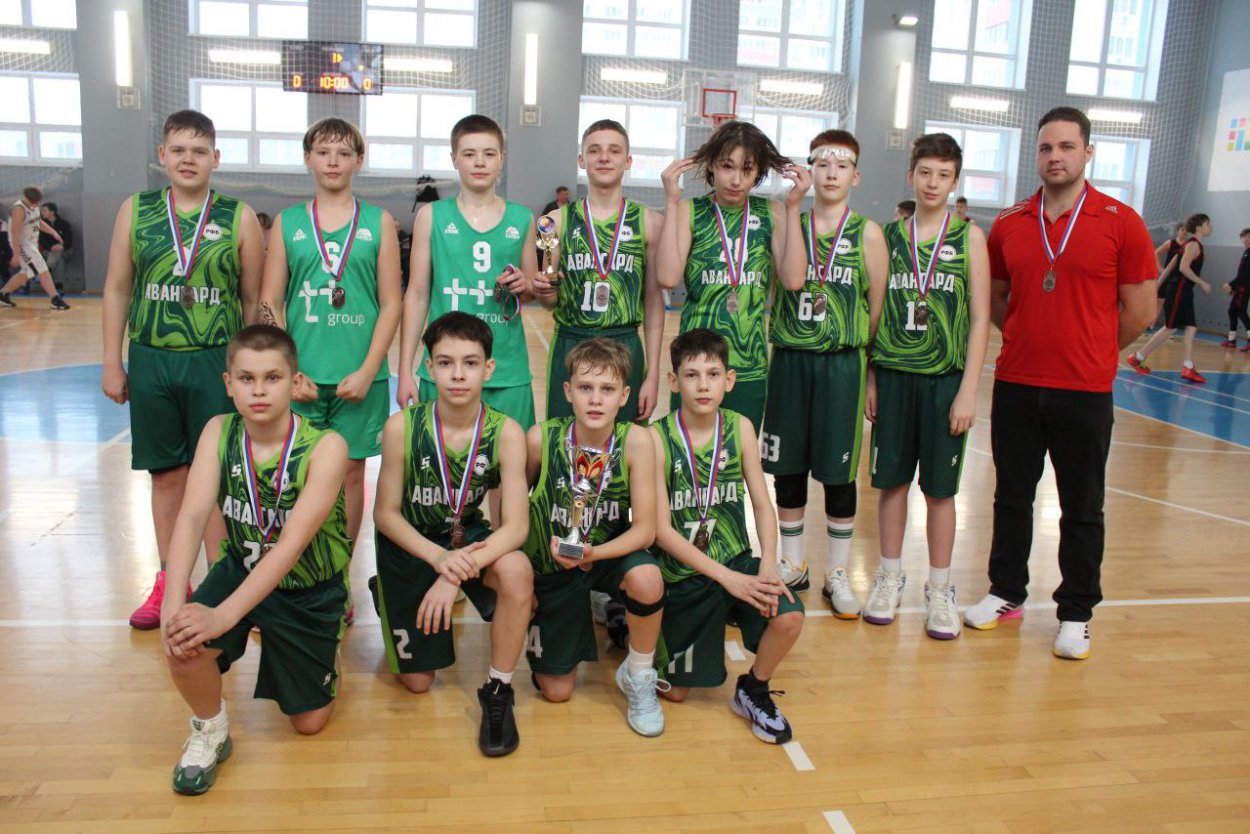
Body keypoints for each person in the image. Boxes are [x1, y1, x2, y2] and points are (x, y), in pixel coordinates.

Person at [965, 107, 1156, 659]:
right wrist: (1026, 336)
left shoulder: (1121, 221)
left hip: (1085, 391)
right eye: (1047, 147)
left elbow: (1142, 310)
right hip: (1018, 383)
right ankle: (1006, 591)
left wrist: (1092, 349)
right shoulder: (1010, 223)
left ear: (1087, 152)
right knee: (1011, 497)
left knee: (1082, 506)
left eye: (1067, 147)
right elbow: (998, 297)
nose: (1056, 157)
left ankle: (1075, 612)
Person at [160, 324, 351, 795]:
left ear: (296, 382)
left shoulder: (327, 447)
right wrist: (172, 602)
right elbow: (191, 516)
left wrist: (222, 616)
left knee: (309, 723)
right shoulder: (218, 431)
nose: (259, 390)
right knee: (182, 641)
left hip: (306, 585)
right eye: (247, 378)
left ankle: (325, 651)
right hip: (241, 565)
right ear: (229, 384)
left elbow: (288, 547)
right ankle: (210, 729)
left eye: (272, 377)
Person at [101, 110, 266, 630]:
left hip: (214, 360)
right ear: (162, 156)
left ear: (216, 158)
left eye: (198, 151)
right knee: (166, 476)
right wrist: (112, 360)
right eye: (178, 150)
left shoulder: (238, 216)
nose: (188, 159)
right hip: (152, 357)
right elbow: (117, 288)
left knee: (217, 479)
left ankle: (223, 583)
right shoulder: (137, 210)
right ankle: (170, 581)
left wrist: (251, 372)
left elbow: (253, 301)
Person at [372, 312, 532, 757]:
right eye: (445, 363)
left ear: (489, 369)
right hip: (411, 544)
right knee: (418, 683)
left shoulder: (506, 432)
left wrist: (454, 571)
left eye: (470, 363)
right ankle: (386, 593)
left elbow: (517, 527)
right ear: (428, 367)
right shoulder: (402, 427)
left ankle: (498, 690)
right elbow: (385, 515)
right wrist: (438, 560)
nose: (458, 374)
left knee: (517, 570)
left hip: (464, 540)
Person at [260, 117, 402, 579]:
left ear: (359, 161)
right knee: (294, 474)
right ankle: (294, 570)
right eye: (323, 152)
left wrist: (369, 370)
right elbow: (269, 303)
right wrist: (287, 373)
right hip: (301, 378)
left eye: (343, 153)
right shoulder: (288, 223)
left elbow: (392, 303)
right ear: (308, 159)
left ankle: (338, 573)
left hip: (357, 378)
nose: (333, 161)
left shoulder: (379, 223)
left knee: (351, 475)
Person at [863, 132, 990, 641]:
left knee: (940, 491)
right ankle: (889, 576)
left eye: (943, 175)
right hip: (894, 377)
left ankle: (940, 588)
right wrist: (872, 376)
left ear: (955, 180)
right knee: (891, 484)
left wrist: (968, 391)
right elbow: (874, 312)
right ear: (910, 175)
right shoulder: (888, 237)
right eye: (925, 173)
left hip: (944, 383)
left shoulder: (969, 238)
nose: (933, 183)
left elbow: (980, 319)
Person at [651, 329, 803, 744]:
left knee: (789, 615)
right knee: (677, 693)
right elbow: (660, 531)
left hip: (735, 560)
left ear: (729, 380)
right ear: (673, 381)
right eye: (692, 375)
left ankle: (753, 687)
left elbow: (763, 505)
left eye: (713, 374)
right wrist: (727, 579)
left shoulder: (741, 428)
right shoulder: (656, 438)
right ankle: (643, 628)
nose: (703, 385)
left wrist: (768, 564)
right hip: (683, 573)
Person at [763, 130, 888, 598]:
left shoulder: (868, 234)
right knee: (788, 468)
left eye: (842, 165)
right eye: (822, 164)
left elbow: (876, 310)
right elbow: (781, 285)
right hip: (791, 361)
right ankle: (793, 563)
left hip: (841, 367)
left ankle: (837, 572)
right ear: (810, 170)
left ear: (855, 176)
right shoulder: (788, 223)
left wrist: (867, 370)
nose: (831, 173)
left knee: (839, 473)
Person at [522, 338, 665, 736]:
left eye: (607, 389)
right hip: (553, 561)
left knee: (647, 577)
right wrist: (521, 579)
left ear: (625, 396)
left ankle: (638, 674)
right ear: (568, 391)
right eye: (586, 387)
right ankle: (584, 615)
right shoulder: (541, 439)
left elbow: (646, 530)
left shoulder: (637, 441)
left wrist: (594, 553)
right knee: (556, 692)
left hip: (605, 554)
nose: (596, 399)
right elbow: (515, 512)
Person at [397, 115, 536, 432]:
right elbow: (417, 295)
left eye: (489, 153)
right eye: (469, 153)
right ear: (454, 158)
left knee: (511, 460)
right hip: (445, 369)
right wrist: (405, 369)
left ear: (502, 159)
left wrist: (524, 284)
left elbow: (531, 290)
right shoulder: (431, 216)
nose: (479, 162)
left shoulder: (523, 219)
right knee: (438, 459)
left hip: (507, 369)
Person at [658, 121, 790, 430]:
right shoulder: (690, 210)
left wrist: (794, 205)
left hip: (749, 364)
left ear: (758, 172)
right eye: (727, 166)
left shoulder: (772, 213)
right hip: (695, 364)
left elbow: (793, 280)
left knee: (738, 454)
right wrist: (671, 202)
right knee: (687, 453)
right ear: (711, 165)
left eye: (747, 169)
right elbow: (667, 277)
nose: (736, 179)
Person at [531, 119, 664, 423]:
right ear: (582, 160)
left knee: (627, 443)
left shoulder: (651, 222)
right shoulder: (551, 222)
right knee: (564, 438)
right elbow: (548, 299)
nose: (604, 157)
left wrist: (653, 373)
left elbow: (654, 302)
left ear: (628, 160)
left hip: (625, 344)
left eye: (614, 150)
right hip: (571, 342)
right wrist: (543, 290)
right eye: (594, 150)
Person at [1127, 213, 1213, 383]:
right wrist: (1202, 282)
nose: (1210, 227)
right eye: (1208, 224)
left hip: (1184, 292)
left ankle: (1188, 367)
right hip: (1179, 290)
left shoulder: (1187, 244)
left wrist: (1157, 285)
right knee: (1170, 328)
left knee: (1191, 328)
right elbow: (1183, 267)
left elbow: (1171, 266)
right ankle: (1137, 357)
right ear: (1199, 228)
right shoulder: (1193, 245)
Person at [0, 186, 71, 309]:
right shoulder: (19, 210)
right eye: (34, 202)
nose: (36, 205)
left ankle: (3, 294)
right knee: (41, 268)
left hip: (31, 243)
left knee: (28, 273)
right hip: (21, 244)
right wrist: (16, 254)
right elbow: (15, 233)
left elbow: (38, 222)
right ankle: (55, 298)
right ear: (26, 198)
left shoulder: (34, 205)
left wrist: (53, 232)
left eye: (38, 202)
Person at [1151, 222, 1189, 327]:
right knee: (1159, 300)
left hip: (1179, 277)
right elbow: (1156, 253)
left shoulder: (1189, 246)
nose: (1184, 232)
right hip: (1167, 276)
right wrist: (1160, 269)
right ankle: (1151, 324)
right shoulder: (1170, 243)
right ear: (1177, 231)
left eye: (1186, 230)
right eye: (1182, 230)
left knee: (1174, 303)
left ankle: (1170, 325)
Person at [1221, 227, 1250, 350]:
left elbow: (1245, 275)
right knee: (1232, 310)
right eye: (1244, 236)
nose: (1246, 239)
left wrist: (1231, 285)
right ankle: (1231, 340)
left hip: (1245, 287)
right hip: (1241, 287)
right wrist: (1234, 287)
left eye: (1249, 236)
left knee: (1240, 310)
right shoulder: (1246, 252)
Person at [39, 201, 72, 289]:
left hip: (65, 250)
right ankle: (58, 284)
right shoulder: (42, 225)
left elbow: (69, 239)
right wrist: (51, 247)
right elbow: (42, 241)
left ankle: (45, 270)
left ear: (52, 212)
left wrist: (62, 246)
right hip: (48, 251)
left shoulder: (64, 224)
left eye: (44, 210)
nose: (42, 213)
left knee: (57, 254)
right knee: (59, 259)